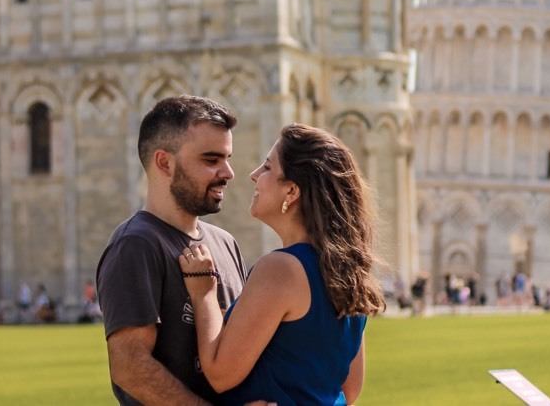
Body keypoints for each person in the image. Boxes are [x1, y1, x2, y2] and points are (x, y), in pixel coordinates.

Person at [179, 123, 385, 405]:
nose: (253, 175)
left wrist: (204, 293)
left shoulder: (281, 269)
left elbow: (219, 373)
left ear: (291, 191)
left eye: (266, 168)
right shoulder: (348, 272)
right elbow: (349, 390)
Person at [97, 95, 264, 406]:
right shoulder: (137, 244)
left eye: (227, 158)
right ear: (165, 163)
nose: (228, 172)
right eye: (211, 160)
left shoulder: (225, 242)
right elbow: (130, 367)